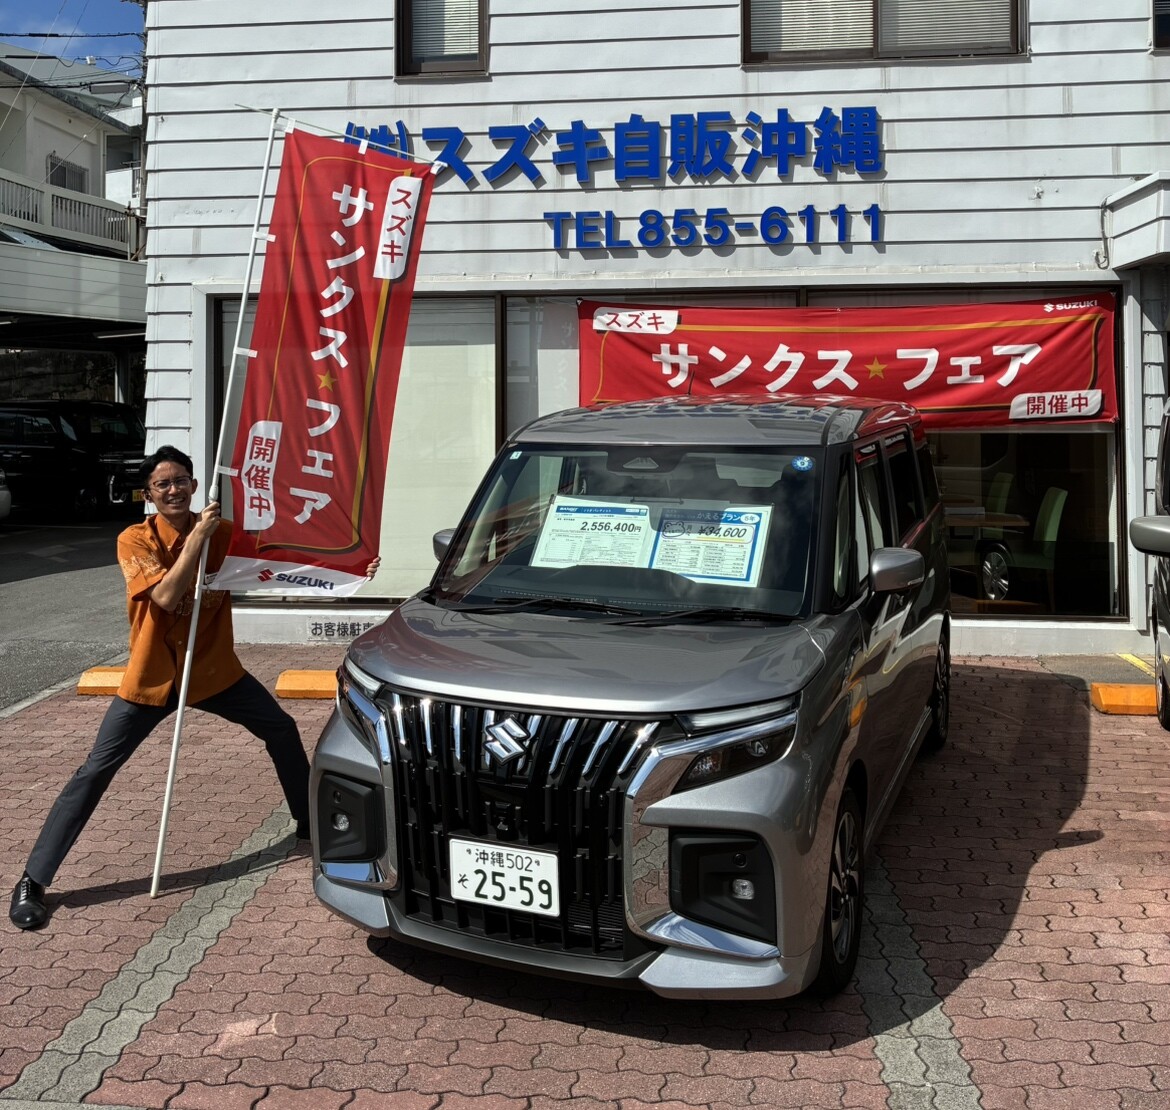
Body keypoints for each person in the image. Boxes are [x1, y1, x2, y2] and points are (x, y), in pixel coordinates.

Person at [9, 445, 378, 930]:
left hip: (213, 672)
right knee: (96, 769)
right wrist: (198, 537)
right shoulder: (134, 539)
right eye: (162, 484)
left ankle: (309, 825)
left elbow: (280, 557)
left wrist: (348, 569)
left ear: (195, 484)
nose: (174, 490)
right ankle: (33, 880)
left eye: (181, 480)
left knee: (281, 729)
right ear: (148, 494)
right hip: (152, 679)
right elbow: (164, 596)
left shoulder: (225, 534)